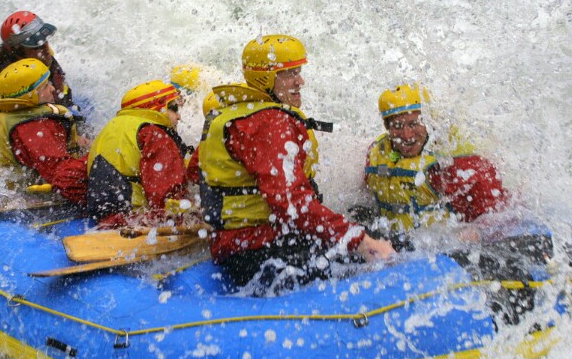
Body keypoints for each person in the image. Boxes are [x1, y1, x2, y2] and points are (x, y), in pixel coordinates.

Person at [198, 34, 395, 291]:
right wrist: (362, 242)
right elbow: (291, 204)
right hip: (263, 253)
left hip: (242, 246)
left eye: (298, 72)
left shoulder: (230, 115)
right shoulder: (268, 123)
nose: (300, 81)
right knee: (392, 248)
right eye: (290, 74)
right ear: (266, 79)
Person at [364, 83, 508, 232]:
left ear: (427, 122)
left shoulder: (452, 166)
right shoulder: (377, 153)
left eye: (414, 124)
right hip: (394, 242)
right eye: (398, 126)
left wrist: (476, 231)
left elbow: (495, 218)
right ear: (388, 128)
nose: (406, 135)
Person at [86, 80, 194, 228]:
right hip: (136, 221)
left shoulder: (110, 128)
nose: (178, 117)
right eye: (174, 108)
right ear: (157, 108)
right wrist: (191, 216)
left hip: (104, 217)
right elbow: (167, 197)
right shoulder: (154, 134)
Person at [0, 58, 87, 204]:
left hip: (1, 192)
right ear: (28, 95)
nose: (52, 88)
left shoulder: (4, 113)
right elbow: (63, 175)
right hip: (26, 200)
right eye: (44, 87)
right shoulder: (35, 127)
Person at [0, 10, 73, 107]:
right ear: (17, 52)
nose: (45, 49)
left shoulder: (42, 57)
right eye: (36, 46)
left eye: (44, 41)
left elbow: (63, 93)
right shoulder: (8, 82)